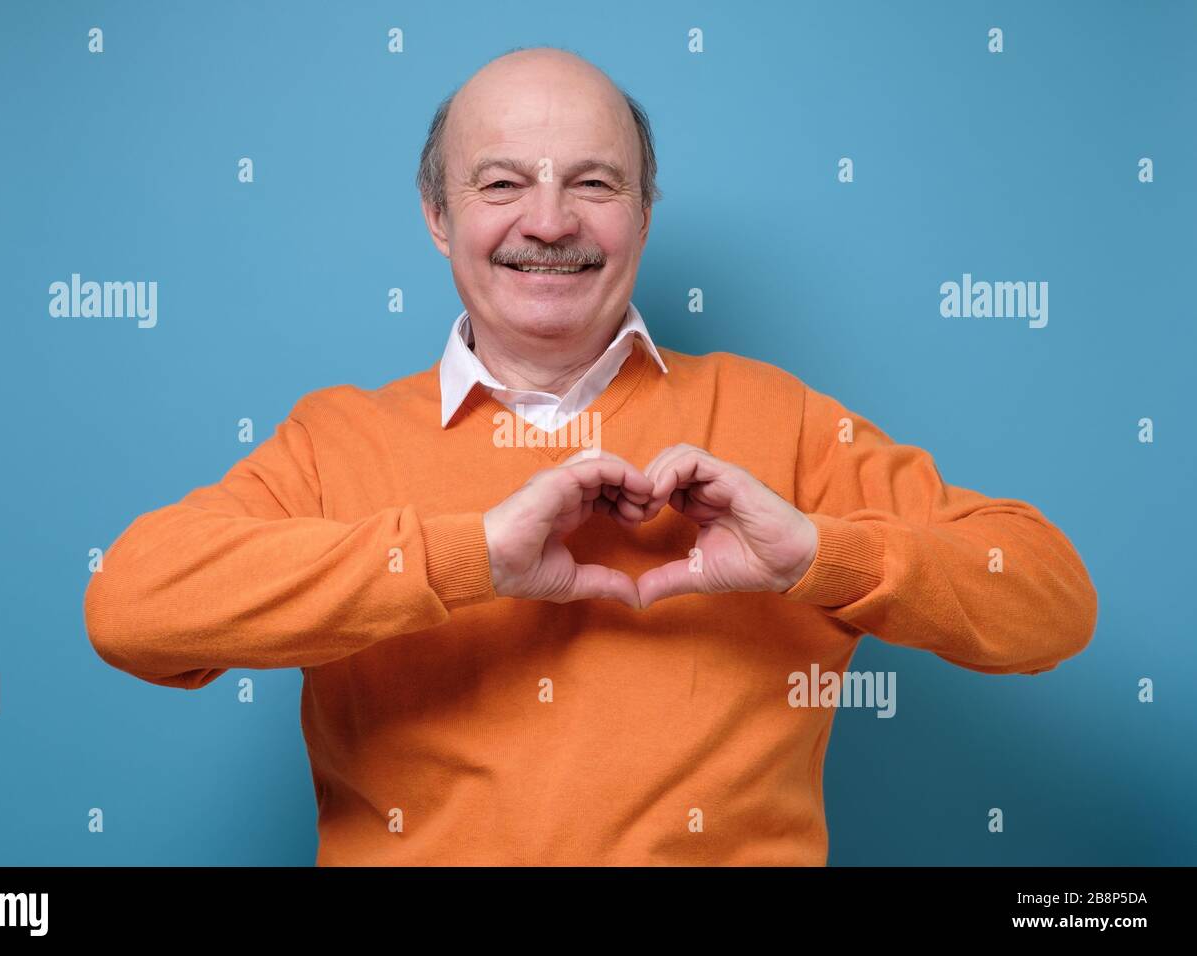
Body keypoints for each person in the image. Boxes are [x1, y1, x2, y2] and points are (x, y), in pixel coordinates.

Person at [84, 46, 1097, 865]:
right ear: (439, 217)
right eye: (501, 183)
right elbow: (131, 609)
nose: (550, 220)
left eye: (594, 183)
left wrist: (816, 556)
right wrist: (463, 556)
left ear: (643, 215)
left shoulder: (778, 419)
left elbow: (1052, 600)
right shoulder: (337, 440)